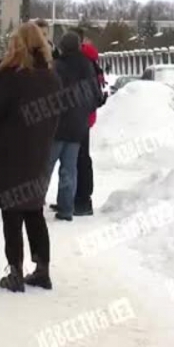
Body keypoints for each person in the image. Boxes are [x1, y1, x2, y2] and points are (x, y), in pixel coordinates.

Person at [0, 22, 61, 293]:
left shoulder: (12, 76)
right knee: (34, 211)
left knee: (12, 212)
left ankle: (15, 272)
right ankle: (42, 270)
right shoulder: (51, 77)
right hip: (39, 151)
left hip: (10, 152)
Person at [48, 32, 102, 221]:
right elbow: (97, 96)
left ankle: (34, 206)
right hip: (78, 126)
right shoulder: (87, 66)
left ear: (61, 47)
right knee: (70, 169)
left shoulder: (57, 67)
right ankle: (66, 209)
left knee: (46, 167)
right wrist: (83, 113)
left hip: (56, 125)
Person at [73, 37, 104, 217]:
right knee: (82, 158)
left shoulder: (84, 65)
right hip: (87, 115)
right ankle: (82, 198)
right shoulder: (92, 63)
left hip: (81, 116)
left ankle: (82, 200)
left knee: (80, 159)